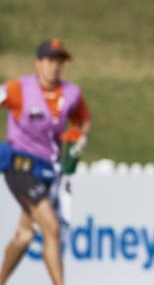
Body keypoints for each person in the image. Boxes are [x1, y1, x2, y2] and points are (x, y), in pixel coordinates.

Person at [0, 38, 92, 285]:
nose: (55, 66)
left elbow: (83, 119)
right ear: (37, 63)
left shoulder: (71, 94)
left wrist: (79, 137)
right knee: (51, 228)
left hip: (48, 170)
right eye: (50, 60)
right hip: (20, 165)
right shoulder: (19, 88)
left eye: (59, 61)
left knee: (25, 235)